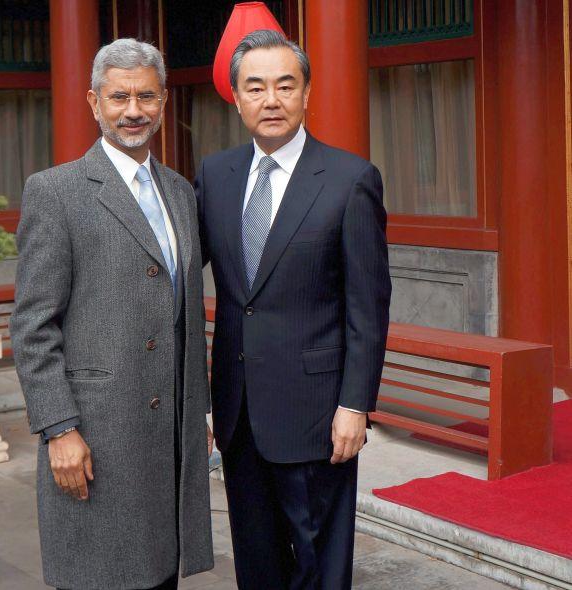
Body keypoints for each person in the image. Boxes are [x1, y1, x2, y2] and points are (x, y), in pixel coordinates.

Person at [10, 38, 213, 590]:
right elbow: (33, 326)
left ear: (163, 102)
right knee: (99, 575)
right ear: (93, 102)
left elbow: (184, 313)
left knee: (159, 574)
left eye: (146, 96)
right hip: (97, 430)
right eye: (119, 96)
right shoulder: (56, 191)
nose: (133, 111)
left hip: (168, 432)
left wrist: (200, 410)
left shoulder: (179, 192)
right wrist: (59, 428)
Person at [195, 30, 391, 589]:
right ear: (236, 97)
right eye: (255, 87)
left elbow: (368, 307)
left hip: (317, 411)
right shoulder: (216, 175)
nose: (271, 100)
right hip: (237, 410)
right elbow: (181, 271)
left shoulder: (351, 180)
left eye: (286, 85)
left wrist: (356, 404)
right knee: (256, 560)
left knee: (318, 563)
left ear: (307, 94)